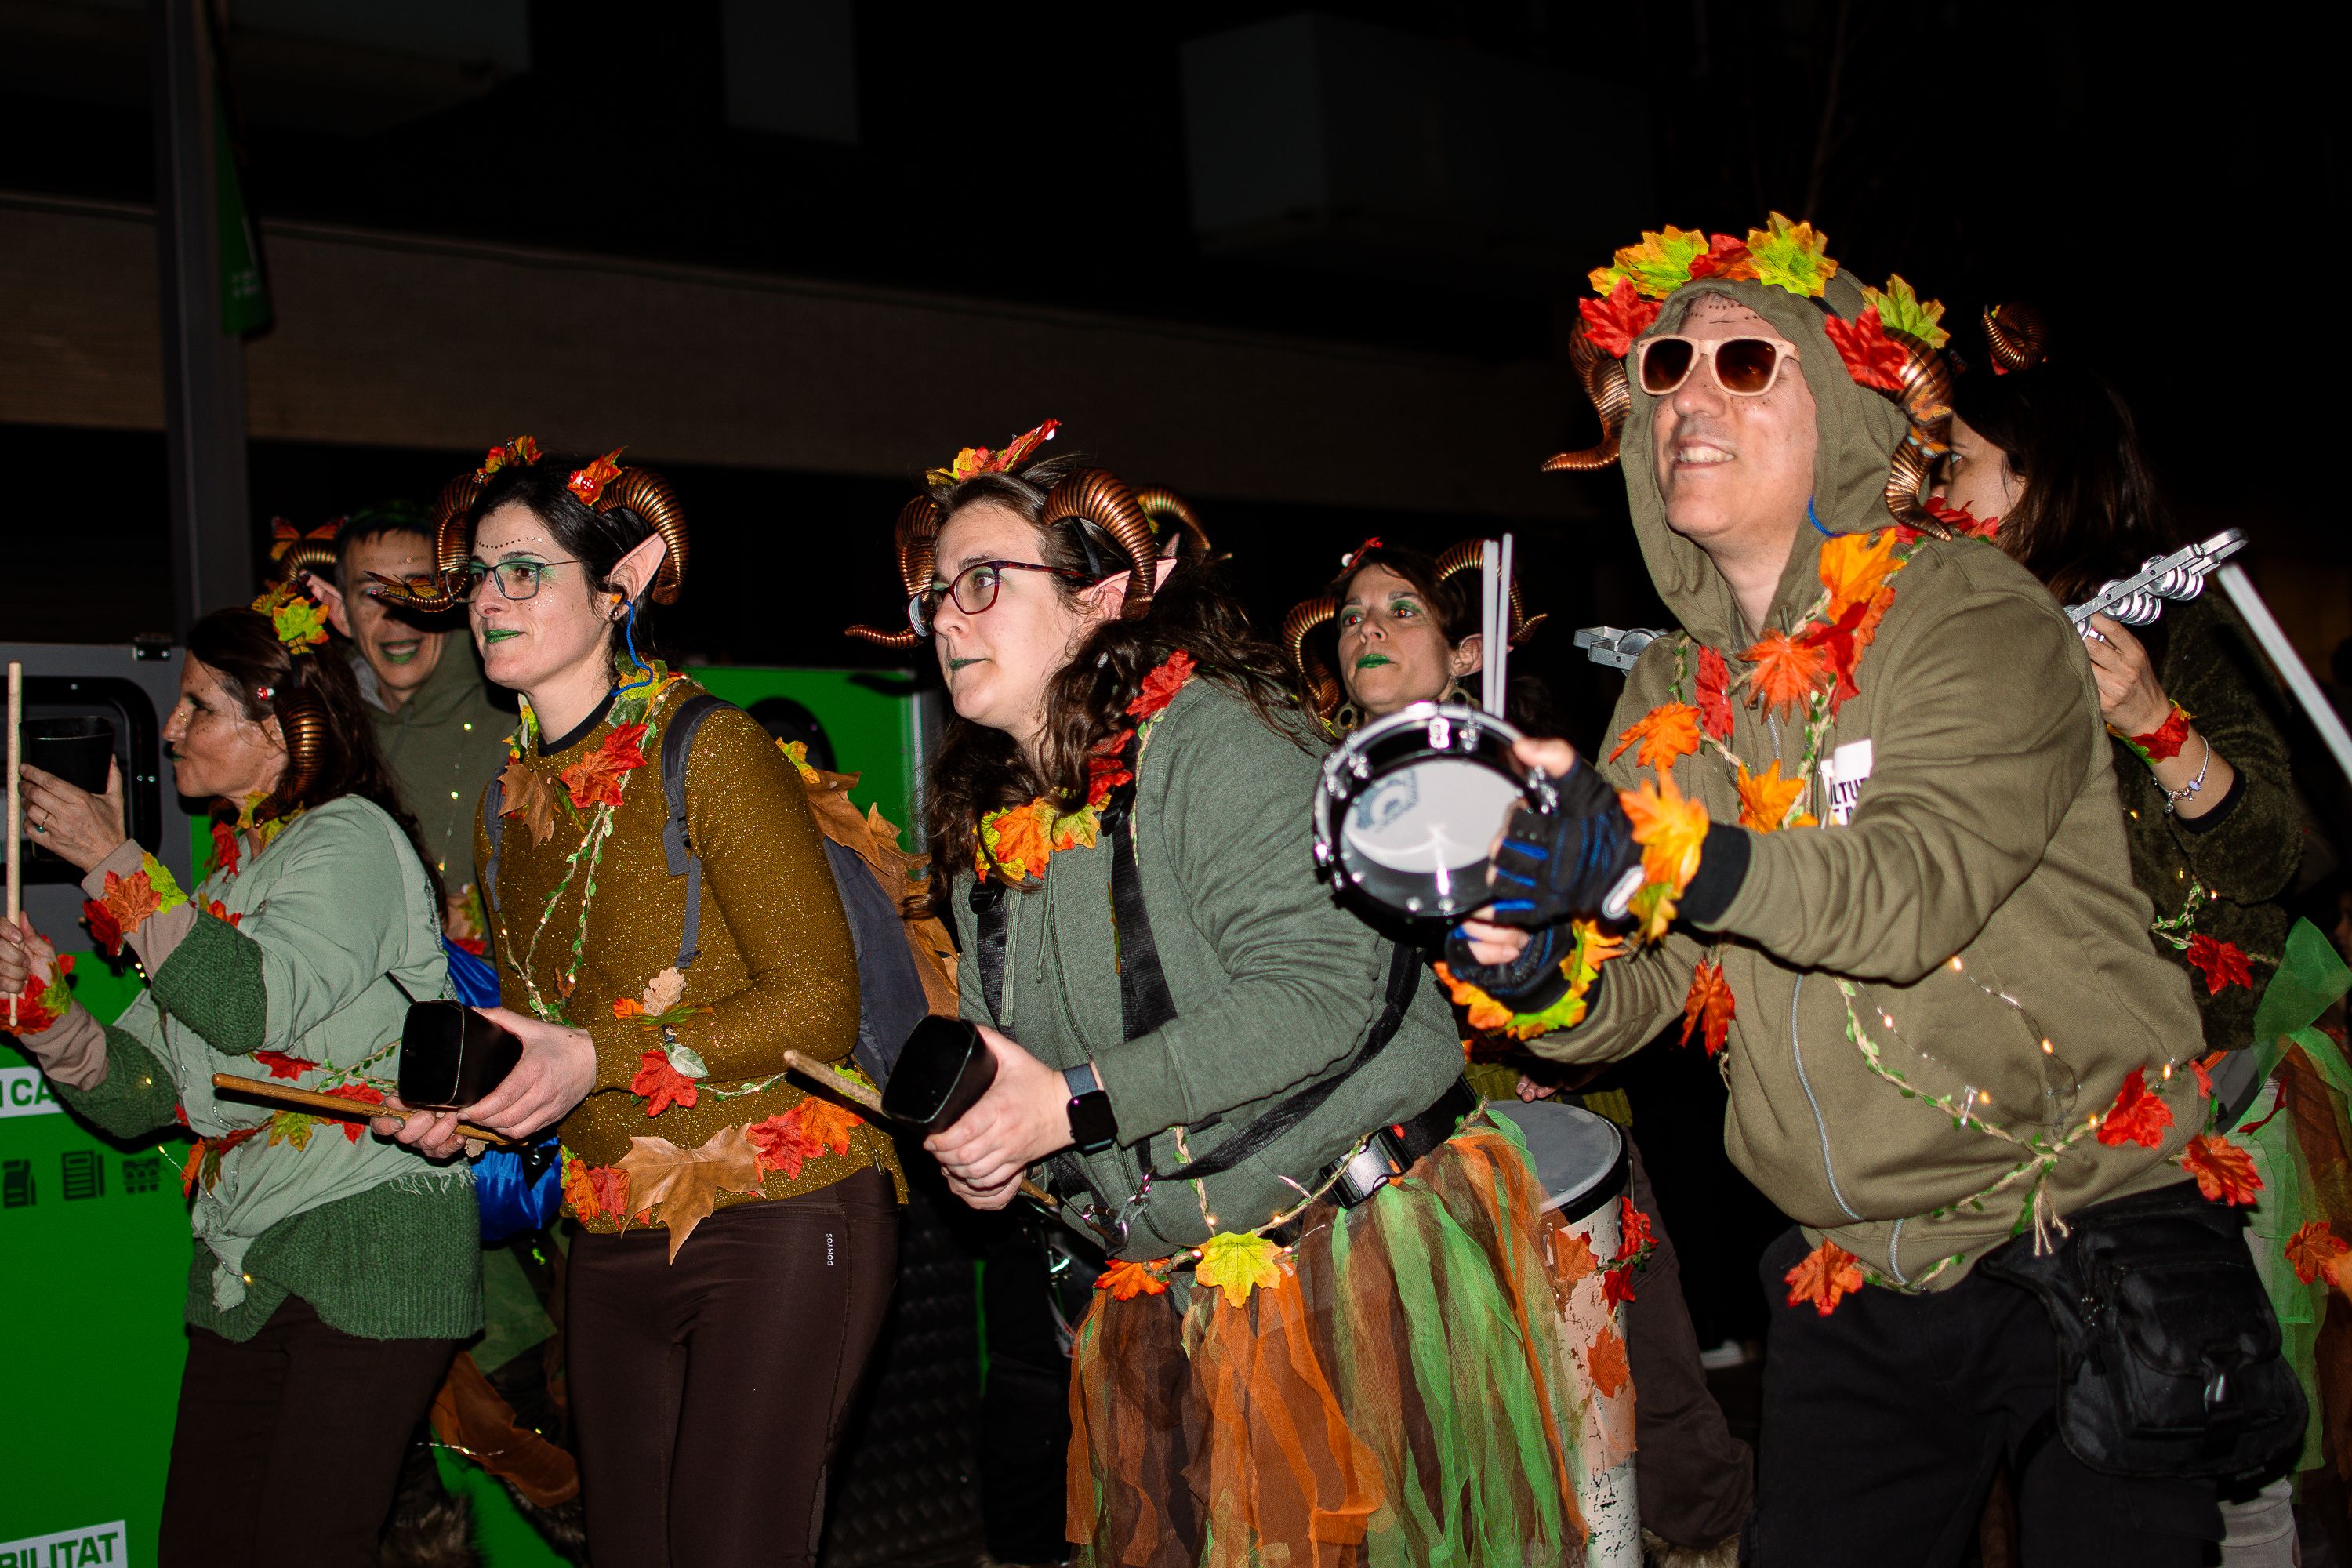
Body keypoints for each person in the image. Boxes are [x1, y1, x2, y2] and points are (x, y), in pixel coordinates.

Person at [1448, 217, 2267, 1563]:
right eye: (1663, 367)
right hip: (1858, 1262)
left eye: (1744, 363)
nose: (1690, 397)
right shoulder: (1667, 690)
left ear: (1838, 399)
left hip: (2084, 1220)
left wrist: (1652, 853)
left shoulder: (1972, 612)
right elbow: (1647, 985)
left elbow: (1911, 890)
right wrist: (1535, 964)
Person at [861, 419, 1584, 1566]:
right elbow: (1032, 1072)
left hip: (1353, 1271)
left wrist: (1073, 1103)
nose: (945, 618)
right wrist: (1005, 1143)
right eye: (936, 595)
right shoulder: (983, 829)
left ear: (1098, 596)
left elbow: (1324, 986)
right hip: (1165, 1300)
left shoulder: (1215, 738)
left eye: (983, 581)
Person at [374, 438, 900, 1566]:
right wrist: (475, 1115)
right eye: (478, 575)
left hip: (776, 1208)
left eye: (525, 570)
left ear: (622, 582)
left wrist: (594, 1060)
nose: (488, 599)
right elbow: (547, 1050)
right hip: (608, 1234)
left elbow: (818, 1003)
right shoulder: (503, 809)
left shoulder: (711, 747)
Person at [1946, 308, 2341, 1559]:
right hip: (2024, 1095)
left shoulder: (2176, 621)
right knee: (2067, 1426)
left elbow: (2276, 852)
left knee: (2208, 1420)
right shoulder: (1950, 642)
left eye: (1960, 463)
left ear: (2039, 480)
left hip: (2197, 1075)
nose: (1935, 488)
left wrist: (2161, 727)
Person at [1287, 537, 1751, 1567]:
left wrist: (1566, 1021)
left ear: (1466, 654)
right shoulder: (1311, 799)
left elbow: (1637, 939)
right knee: (1461, 1430)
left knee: (1642, 1388)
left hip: (1553, 1126)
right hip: (1394, 1164)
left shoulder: (1527, 776)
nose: (1368, 627)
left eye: (1401, 610)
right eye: (1352, 615)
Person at [2, 594, 481, 1566]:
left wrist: (113, 861)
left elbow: (250, 1005)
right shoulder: (220, 889)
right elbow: (140, 1094)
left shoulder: (349, 836)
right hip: (246, 1261)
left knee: (307, 1543)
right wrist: (44, 1011)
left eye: (197, 706)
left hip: (370, 1242)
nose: (170, 728)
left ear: (278, 730)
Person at [289, 503, 515, 949]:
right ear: (340, 612)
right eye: (373, 594)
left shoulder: (518, 704)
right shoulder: (321, 726)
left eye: (417, 588)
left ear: (448, 598)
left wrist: (479, 922)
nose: (395, 614)